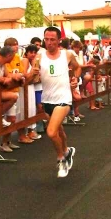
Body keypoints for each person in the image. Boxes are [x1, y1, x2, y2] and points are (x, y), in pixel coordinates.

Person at [36, 26, 81, 178]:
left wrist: (75, 79)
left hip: (64, 99)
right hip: (47, 99)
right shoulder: (39, 56)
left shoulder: (67, 54)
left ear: (59, 40)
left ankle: (61, 159)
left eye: (52, 40)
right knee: (59, 131)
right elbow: (32, 77)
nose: (49, 43)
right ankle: (68, 151)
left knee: (51, 131)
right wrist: (30, 75)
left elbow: (77, 67)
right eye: (46, 39)